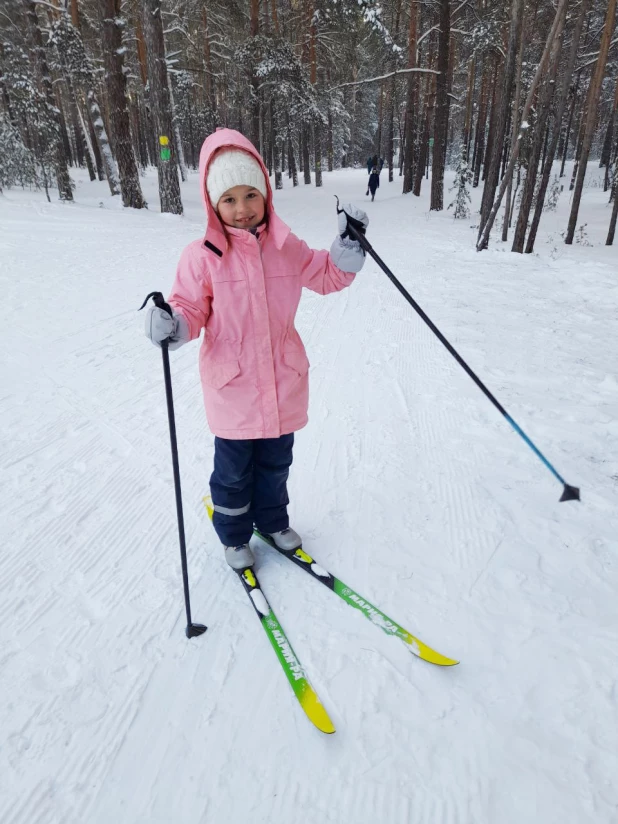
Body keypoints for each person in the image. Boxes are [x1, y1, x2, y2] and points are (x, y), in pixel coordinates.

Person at [145, 128, 368, 570]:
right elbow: (190, 308)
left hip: (283, 382)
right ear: (213, 203)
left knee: (276, 465)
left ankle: (271, 520)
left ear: (266, 192)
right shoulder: (202, 256)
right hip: (233, 390)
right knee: (232, 474)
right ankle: (233, 536)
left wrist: (348, 245)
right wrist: (172, 324)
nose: (243, 209)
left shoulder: (285, 247)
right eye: (229, 199)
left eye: (251, 195)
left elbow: (326, 276)